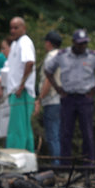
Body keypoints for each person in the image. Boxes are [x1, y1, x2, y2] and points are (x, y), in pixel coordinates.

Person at [43, 28, 95, 165]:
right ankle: (65, 164)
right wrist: (57, 88)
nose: (82, 46)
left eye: (85, 43)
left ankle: (88, 163)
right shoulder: (62, 55)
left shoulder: (93, 56)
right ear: (74, 42)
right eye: (80, 43)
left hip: (85, 98)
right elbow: (48, 70)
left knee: (87, 132)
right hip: (68, 98)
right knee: (65, 133)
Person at [3, 17, 36, 152]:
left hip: (21, 92)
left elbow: (30, 62)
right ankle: (28, 154)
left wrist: (21, 85)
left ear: (24, 28)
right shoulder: (15, 44)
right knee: (23, 126)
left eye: (16, 28)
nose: (13, 31)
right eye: (11, 28)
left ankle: (16, 154)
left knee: (18, 127)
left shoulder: (25, 42)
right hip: (15, 91)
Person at [33, 30, 63, 163]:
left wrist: (39, 99)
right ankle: (61, 164)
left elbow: (48, 81)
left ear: (49, 43)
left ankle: (56, 165)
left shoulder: (50, 57)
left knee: (52, 135)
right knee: (59, 134)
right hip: (63, 100)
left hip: (52, 100)